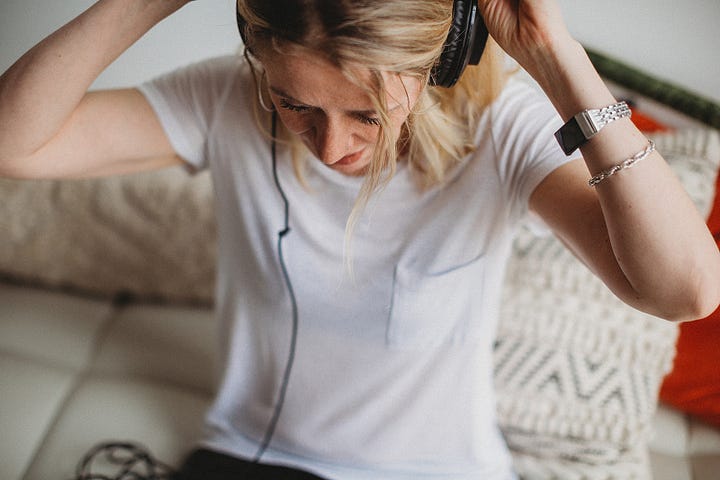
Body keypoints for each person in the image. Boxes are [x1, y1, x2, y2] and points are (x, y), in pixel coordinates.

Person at [1, 0, 719, 479]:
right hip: (254, 457)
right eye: (296, 105)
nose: (332, 146)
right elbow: (15, 145)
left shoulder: (500, 129)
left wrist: (553, 51)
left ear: (437, 62)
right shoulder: (226, 100)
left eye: (367, 114)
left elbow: (684, 289)